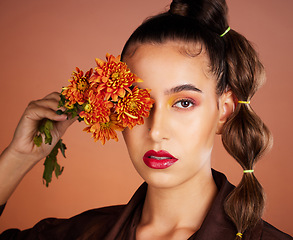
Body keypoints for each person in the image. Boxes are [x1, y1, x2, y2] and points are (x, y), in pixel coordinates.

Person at [0, 0, 292, 239]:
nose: (156, 130)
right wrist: (18, 158)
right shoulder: (80, 234)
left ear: (224, 110)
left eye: (184, 102)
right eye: (137, 102)